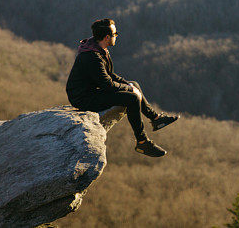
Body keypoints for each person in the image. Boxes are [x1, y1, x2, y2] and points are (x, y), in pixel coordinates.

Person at [66, 18, 179, 157]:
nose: (116, 36)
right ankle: (142, 142)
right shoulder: (92, 56)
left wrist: (129, 85)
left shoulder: (96, 47)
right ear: (107, 37)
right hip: (83, 98)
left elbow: (109, 75)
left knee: (134, 84)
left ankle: (155, 119)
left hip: (91, 91)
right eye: (115, 34)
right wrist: (129, 90)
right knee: (131, 98)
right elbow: (107, 84)